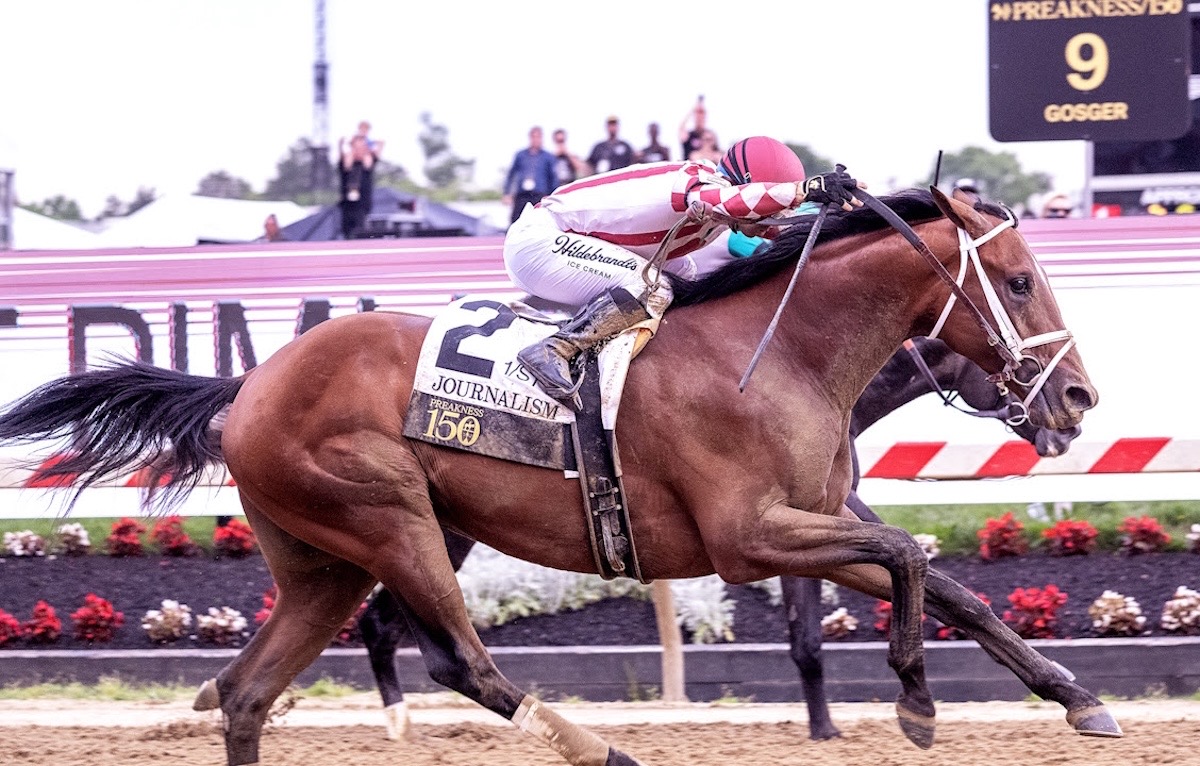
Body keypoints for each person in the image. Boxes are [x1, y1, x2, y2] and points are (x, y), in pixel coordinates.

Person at [504, 136, 864, 407]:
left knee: (692, 282)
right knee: (653, 287)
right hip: (540, 239)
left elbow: (777, 229)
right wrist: (802, 191)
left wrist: (843, 215)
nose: (766, 223)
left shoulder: (725, 208)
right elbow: (730, 203)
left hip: (581, 242)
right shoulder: (699, 183)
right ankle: (554, 350)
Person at [502, 126, 558, 224]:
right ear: (530, 138)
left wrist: (552, 196)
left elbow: (553, 178)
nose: (536, 140)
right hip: (522, 194)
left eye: (538, 137)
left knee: (540, 221)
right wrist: (507, 193)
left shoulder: (548, 157)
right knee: (515, 220)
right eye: (534, 137)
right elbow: (511, 175)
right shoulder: (520, 155)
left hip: (539, 195)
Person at [338, 134, 378, 239]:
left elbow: (374, 156)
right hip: (347, 205)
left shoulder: (366, 164)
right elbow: (343, 162)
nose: (358, 150)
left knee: (361, 231)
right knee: (347, 232)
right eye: (356, 147)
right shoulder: (347, 165)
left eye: (361, 147)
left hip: (362, 204)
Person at [679, 96, 709, 163]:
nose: (700, 119)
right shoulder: (689, 135)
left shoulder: (708, 136)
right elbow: (681, 128)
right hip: (688, 168)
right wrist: (693, 109)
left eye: (702, 117)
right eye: (697, 116)